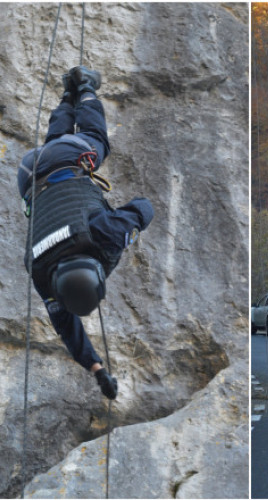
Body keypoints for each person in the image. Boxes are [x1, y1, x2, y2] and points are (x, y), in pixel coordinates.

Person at [18, 66, 154, 399]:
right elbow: (68, 330)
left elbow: (144, 206)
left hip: (68, 158)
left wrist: (132, 224)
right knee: (57, 141)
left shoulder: (103, 236)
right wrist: (98, 371)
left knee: (96, 138)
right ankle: (67, 95)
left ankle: (87, 88)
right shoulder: (39, 270)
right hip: (28, 173)